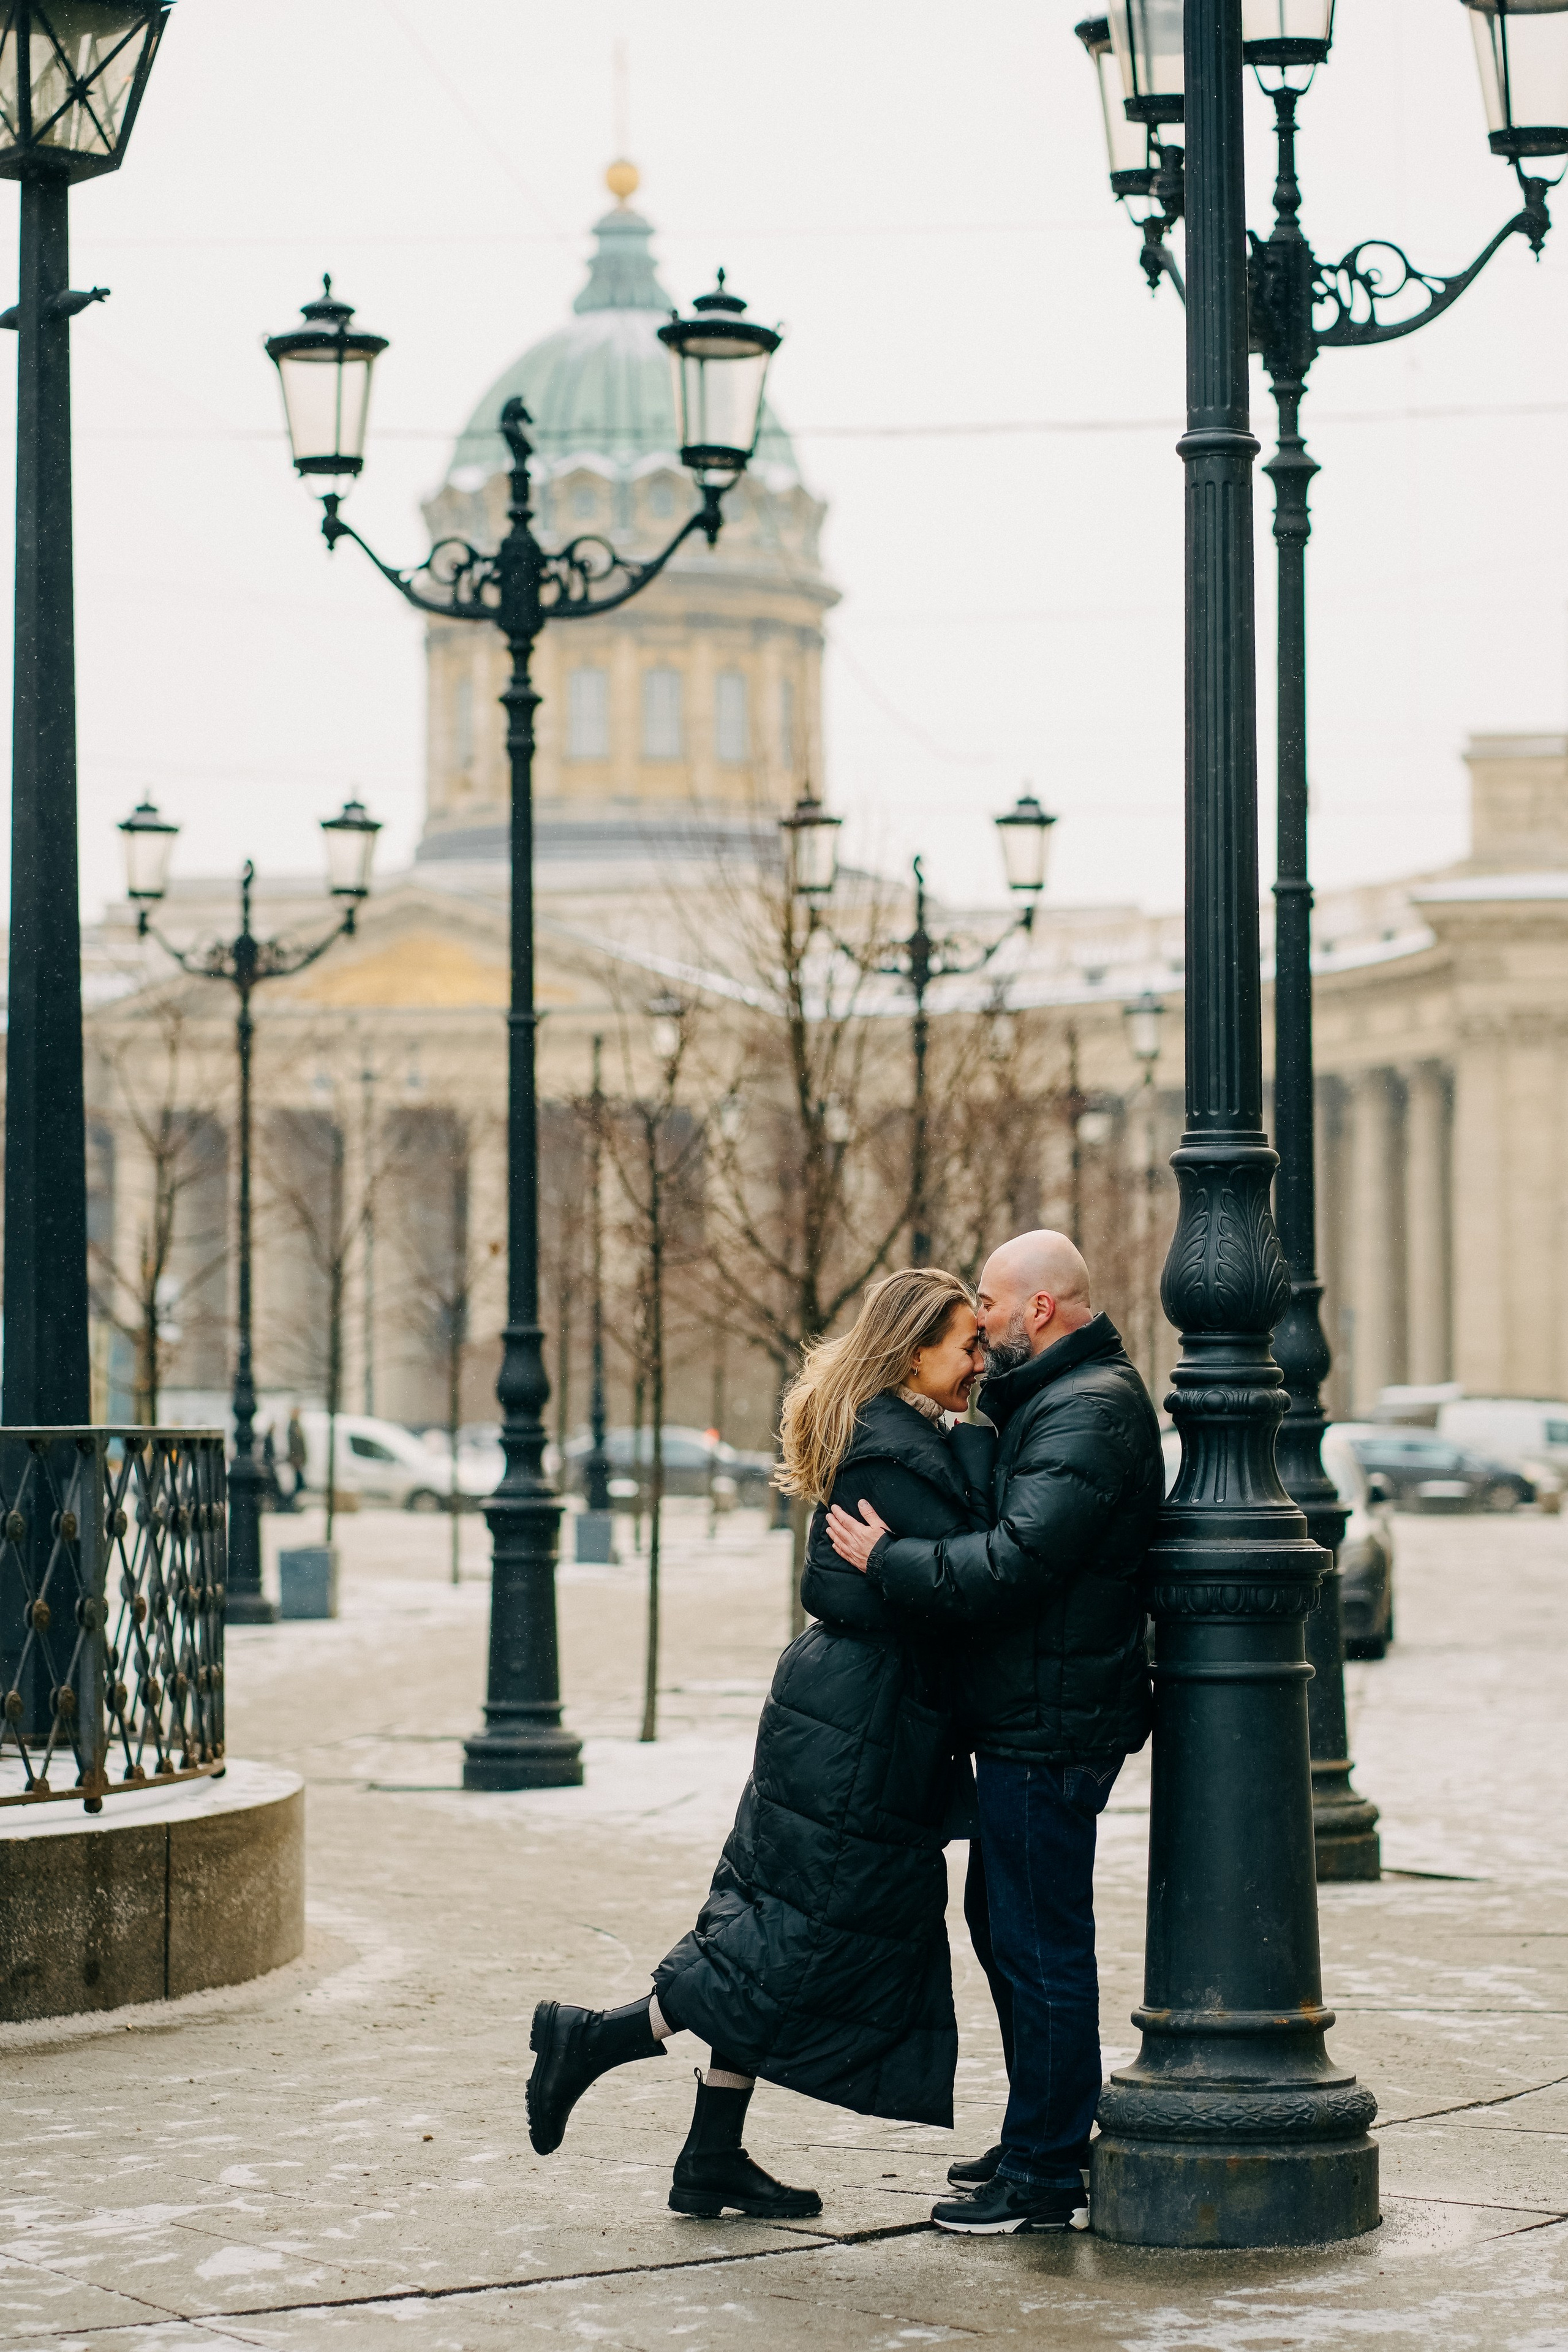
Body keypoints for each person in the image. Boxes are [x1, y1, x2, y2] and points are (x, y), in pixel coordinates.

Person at [526, 1268, 990, 2220]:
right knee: (799, 1939)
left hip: (849, 1715)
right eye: (967, 1346)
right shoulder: (898, 1454)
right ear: (913, 1351)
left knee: (781, 1926)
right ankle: (598, 2038)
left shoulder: (895, 1434)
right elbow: (936, 1581)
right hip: (861, 1730)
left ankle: (711, 2155)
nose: (982, 1362)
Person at [827, 1230, 1163, 2237]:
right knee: (1007, 1932)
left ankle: (1049, 2172)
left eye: (991, 1303)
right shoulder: (1057, 1399)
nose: (982, 1320)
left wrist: (890, 1560)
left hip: (1050, 1722)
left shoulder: (1091, 1409)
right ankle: (1037, 2135)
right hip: (1030, 1714)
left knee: (1039, 1944)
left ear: (1043, 1311)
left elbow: (1018, 1560)